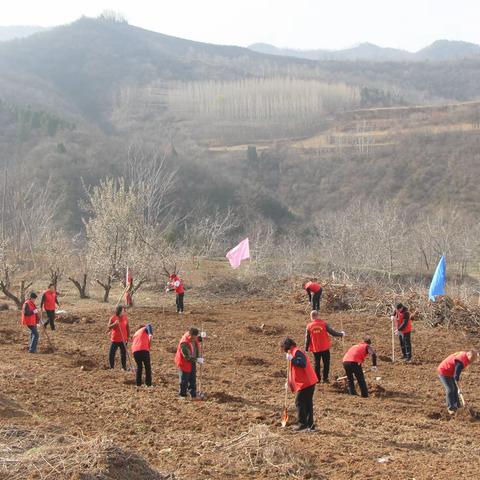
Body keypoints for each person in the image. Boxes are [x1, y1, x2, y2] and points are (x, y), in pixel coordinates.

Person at [281, 337, 317, 431]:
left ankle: (302, 424)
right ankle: (310, 425)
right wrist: (288, 382)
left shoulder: (296, 352)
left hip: (306, 382)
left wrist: (292, 359)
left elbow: (302, 364)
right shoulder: (292, 353)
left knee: (299, 402)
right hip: (308, 382)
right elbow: (293, 370)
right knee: (308, 403)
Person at [305, 310, 345, 383]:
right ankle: (325, 378)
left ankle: (317, 379)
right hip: (325, 347)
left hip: (315, 348)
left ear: (311, 317)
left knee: (317, 364)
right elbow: (332, 332)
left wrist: (306, 348)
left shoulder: (309, 326)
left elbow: (307, 338)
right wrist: (341, 334)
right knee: (326, 363)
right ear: (317, 316)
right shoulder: (323, 324)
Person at [437, 350, 477, 414]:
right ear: (468, 355)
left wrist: (458, 388)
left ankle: (458, 406)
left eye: (474, 359)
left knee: (455, 389)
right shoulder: (461, 361)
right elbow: (456, 376)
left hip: (450, 372)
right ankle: (451, 408)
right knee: (450, 389)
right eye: (472, 359)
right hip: (444, 371)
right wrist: (459, 388)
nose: (472, 361)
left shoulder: (465, 355)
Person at [175, 327, 206, 399]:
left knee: (192, 378)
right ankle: (182, 395)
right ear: (189, 335)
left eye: (195, 338)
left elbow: (197, 339)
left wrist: (201, 337)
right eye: (192, 338)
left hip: (193, 361)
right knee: (184, 380)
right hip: (184, 363)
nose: (193, 339)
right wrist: (197, 360)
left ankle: (193, 394)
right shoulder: (184, 344)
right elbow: (187, 357)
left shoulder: (194, 337)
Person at [107, 305, 130, 370]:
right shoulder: (113, 318)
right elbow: (109, 327)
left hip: (123, 339)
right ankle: (112, 367)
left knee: (123, 354)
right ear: (119, 311)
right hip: (115, 339)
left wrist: (128, 336)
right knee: (112, 353)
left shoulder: (125, 317)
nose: (124, 312)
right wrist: (114, 324)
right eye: (123, 310)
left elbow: (127, 327)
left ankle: (123, 367)